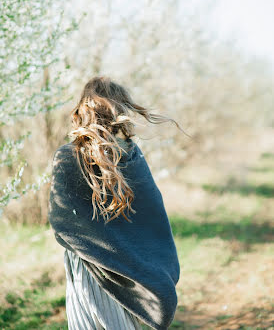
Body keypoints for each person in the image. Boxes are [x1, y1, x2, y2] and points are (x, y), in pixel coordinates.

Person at [48, 76, 183, 330]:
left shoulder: (67, 155)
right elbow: (151, 215)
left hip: (88, 270)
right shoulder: (131, 152)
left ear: (83, 109)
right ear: (119, 109)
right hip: (124, 273)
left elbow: (62, 223)